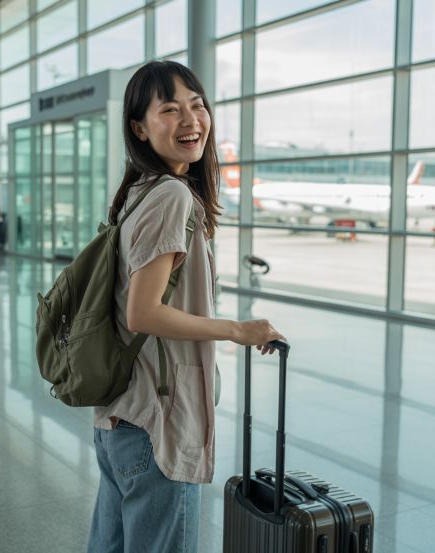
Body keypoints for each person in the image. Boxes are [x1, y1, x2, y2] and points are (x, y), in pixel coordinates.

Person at [86, 61, 286, 553]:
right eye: (170, 109)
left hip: (121, 419)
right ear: (140, 126)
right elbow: (143, 312)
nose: (190, 119)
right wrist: (237, 330)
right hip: (158, 428)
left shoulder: (138, 191)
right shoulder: (171, 194)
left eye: (197, 105)